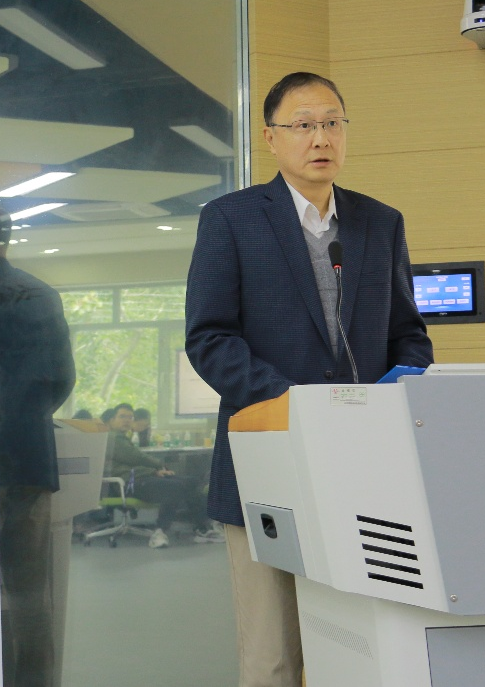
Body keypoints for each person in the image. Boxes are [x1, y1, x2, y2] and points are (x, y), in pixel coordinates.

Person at [184, 72, 434, 687]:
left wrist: (402, 386)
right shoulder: (231, 219)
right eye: (303, 125)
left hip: (365, 470)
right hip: (267, 458)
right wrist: (292, 404)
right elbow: (209, 337)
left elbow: (408, 333)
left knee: (360, 649)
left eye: (332, 123)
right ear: (271, 137)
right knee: (273, 655)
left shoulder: (381, 222)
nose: (320, 138)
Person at [0, 203, 77, 687]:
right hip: (29, 459)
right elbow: (61, 380)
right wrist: (26, 418)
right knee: (30, 594)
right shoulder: (42, 295)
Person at [104, 403, 217, 548]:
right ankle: (160, 531)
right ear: (112, 420)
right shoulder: (113, 438)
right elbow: (135, 458)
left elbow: (133, 464)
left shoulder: (123, 438)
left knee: (192, 482)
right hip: (127, 483)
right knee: (175, 487)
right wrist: (157, 467)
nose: (126, 420)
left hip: (140, 478)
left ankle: (202, 526)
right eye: (122, 416)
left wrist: (155, 472)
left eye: (130, 417)